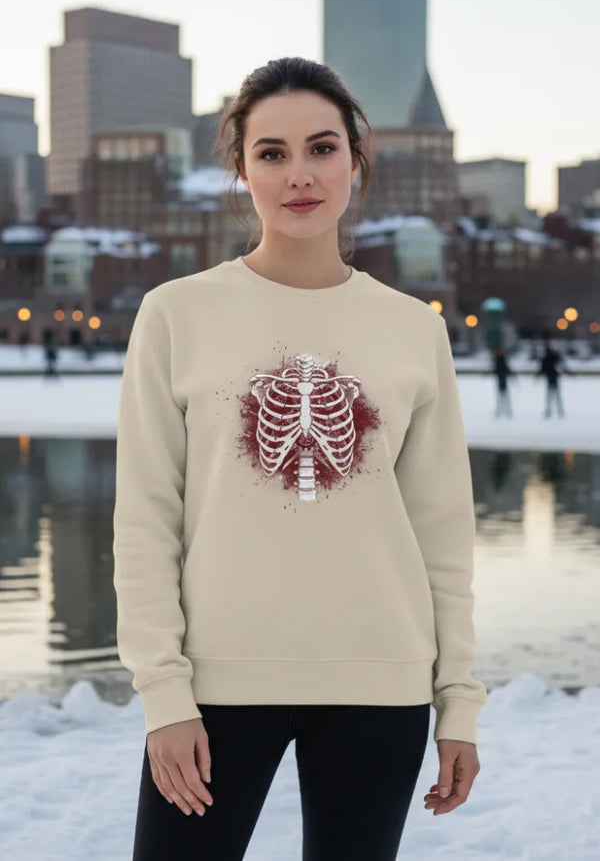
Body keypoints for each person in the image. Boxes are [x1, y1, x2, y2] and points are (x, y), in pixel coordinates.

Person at [112, 57, 487, 861]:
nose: (299, 174)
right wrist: (163, 694)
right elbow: (146, 523)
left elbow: (443, 535)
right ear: (241, 171)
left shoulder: (412, 328)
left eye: (321, 147)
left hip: (380, 681)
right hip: (215, 688)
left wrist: (457, 702)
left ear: (356, 160)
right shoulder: (176, 314)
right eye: (271, 153)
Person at [535, 337, 571, 418]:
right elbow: (561, 365)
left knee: (553, 395)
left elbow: (543, 369)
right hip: (552, 378)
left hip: (553, 378)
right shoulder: (551, 358)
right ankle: (556, 410)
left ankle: (555, 410)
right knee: (554, 395)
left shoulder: (550, 358)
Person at [492, 345, 516, 417]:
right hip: (500, 380)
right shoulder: (498, 360)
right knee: (501, 396)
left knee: (504, 396)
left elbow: (505, 369)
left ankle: (505, 410)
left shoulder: (501, 360)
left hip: (503, 380)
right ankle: (501, 410)